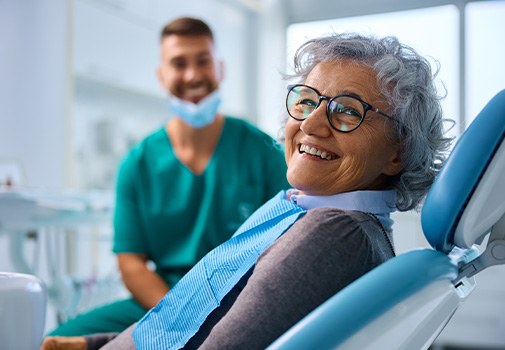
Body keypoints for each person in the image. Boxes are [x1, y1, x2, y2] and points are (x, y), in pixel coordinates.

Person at [41, 32, 453, 350]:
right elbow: (198, 312)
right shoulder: (304, 211)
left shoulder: (333, 233)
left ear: (398, 152)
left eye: (347, 110)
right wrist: (95, 343)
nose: (310, 124)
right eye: (307, 101)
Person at [46, 17, 289, 337]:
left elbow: (288, 240)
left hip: (243, 296)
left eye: (203, 61)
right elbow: (131, 263)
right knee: (59, 340)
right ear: (162, 76)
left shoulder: (262, 151)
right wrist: (178, 316)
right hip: (164, 298)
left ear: (221, 69)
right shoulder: (138, 164)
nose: (192, 74)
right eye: (178, 63)